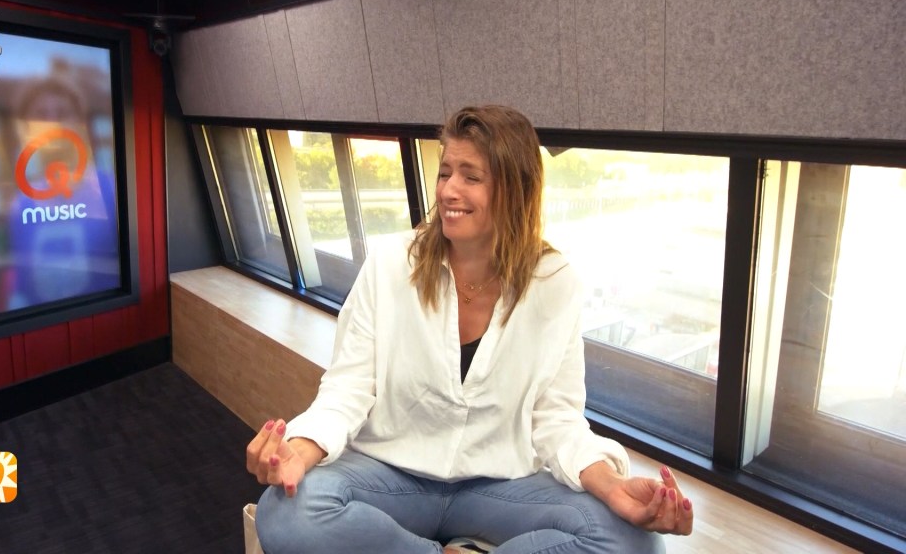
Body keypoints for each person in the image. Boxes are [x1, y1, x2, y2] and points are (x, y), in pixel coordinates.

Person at [247, 105, 693, 553]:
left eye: (470, 177)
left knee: (634, 542)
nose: (448, 190)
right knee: (286, 514)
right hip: (391, 476)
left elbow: (557, 418)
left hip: (497, 488)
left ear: (515, 190)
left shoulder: (555, 282)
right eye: (445, 173)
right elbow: (348, 388)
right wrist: (299, 450)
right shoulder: (390, 263)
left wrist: (613, 487)